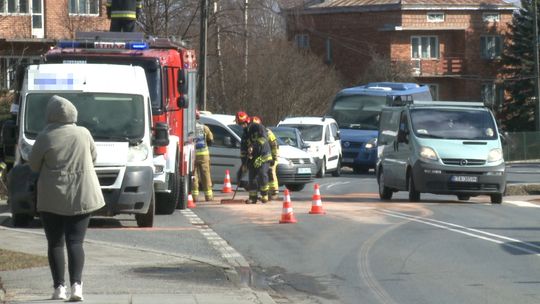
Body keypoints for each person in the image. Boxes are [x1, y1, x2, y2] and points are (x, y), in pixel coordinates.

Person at [29, 95, 105, 301]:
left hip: (52, 196)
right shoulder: (84, 133)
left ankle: (59, 288)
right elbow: (94, 158)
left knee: (55, 243)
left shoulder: (45, 136)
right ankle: (77, 286)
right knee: (76, 242)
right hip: (82, 194)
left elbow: (33, 165)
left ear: (50, 115)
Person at [251, 116, 279, 200]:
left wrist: (274, 158)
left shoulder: (267, 132)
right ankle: (265, 192)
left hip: (269, 154)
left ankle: (274, 192)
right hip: (261, 156)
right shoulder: (252, 133)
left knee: (271, 171)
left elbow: (274, 145)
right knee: (261, 174)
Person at [245, 121, 273, 203]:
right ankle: (253, 197)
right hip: (255, 157)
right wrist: (249, 151)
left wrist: (253, 147)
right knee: (252, 176)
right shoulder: (248, 132)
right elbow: (248, 143)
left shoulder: (261, 131)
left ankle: (265, 195)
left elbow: (261, 142)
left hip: (264, 157)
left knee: (262, 174)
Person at [192, 110, 214, 201]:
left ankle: (194, 196)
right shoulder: (205, 128)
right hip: (204, 155)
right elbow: (211, 140)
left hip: (193, 156)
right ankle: (208, 196)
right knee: (206, 175)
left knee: (194, 176)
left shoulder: (189, 129)